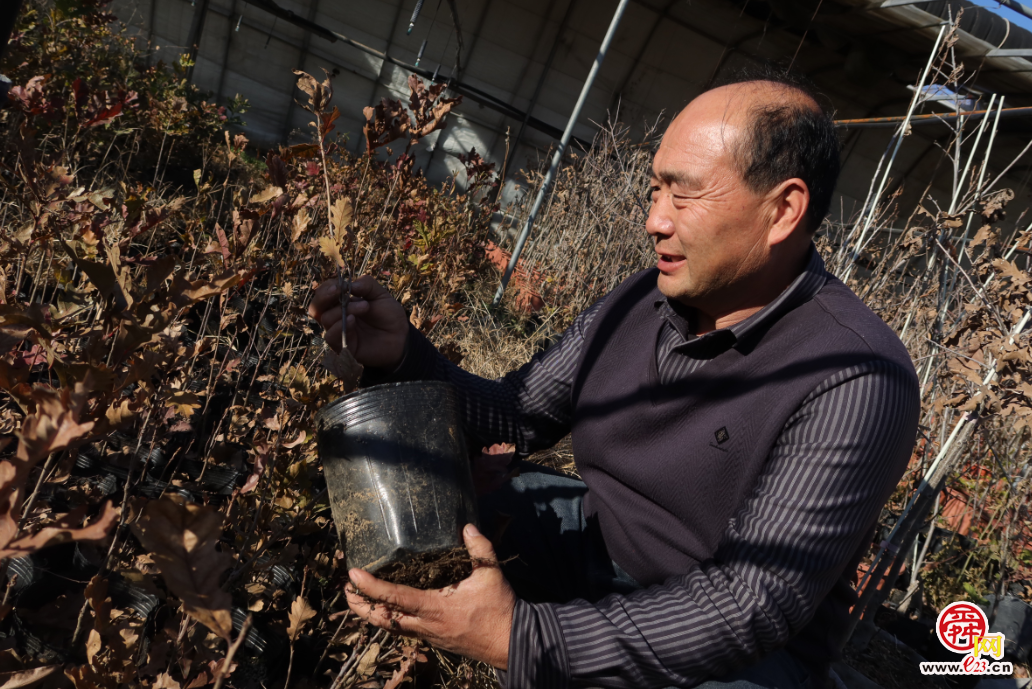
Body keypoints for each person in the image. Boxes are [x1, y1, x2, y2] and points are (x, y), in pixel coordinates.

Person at [308, 73, 920, 689]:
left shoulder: (856, 375)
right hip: (598, 546)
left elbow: (750, 604)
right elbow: (517, 413)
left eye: (684, 196)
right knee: (424, 512)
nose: (656, 221)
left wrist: (520, 639)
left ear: (783, 209)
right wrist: (403, 354)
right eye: (654, 190)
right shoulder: (640, 300)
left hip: (740, 650)